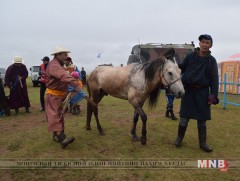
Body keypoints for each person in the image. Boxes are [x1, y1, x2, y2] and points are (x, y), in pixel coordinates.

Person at [175, 34, 219, 152]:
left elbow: (214, 80)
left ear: (210, 45)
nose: (205, 45)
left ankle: (203, 143)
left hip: (202, 93)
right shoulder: (190, 57)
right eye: (203, 42)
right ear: (199, 43)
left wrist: (213, 96)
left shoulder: (211, 60)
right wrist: (173, 63)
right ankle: (179, 139)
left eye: (207, 43)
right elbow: (182, 68)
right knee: (184, 117)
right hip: (188, 91)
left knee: (202, 119)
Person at [45, 47, 83, 149]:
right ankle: (62, 139)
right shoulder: (54, 65)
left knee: (59, 115)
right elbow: (63, 76)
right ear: (58, 55)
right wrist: (75, 84)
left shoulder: (59, 64)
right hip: (54, 95)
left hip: (60, 94)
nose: (66, 57)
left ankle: (56, 135)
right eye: (65, 55)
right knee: (55, 115)